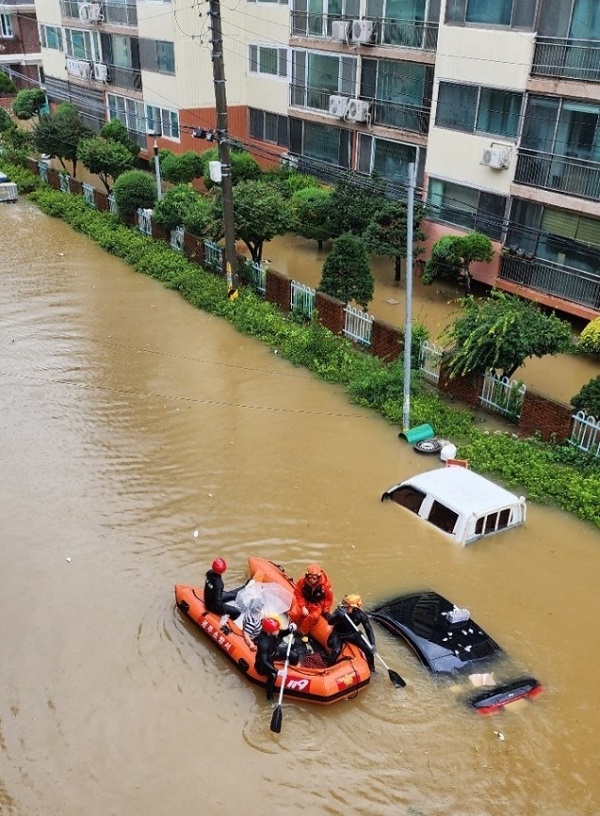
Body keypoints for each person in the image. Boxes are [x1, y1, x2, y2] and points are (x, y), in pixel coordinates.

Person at [326, 594, 376, 672]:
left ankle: (372, 670)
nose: (344, 606)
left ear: (355, 608)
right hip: (338, 633)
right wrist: (338, 616)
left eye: (347, 605)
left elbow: (368, 629)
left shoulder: (360, 614)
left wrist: (372, 644)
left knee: (369, 650)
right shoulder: (340, 611)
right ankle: (328, 670)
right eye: (344, 603)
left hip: (352, 633)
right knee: (336, 651)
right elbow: (330, 622)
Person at [254, 618, 298, 701]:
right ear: (268, 632)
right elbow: (265, 661)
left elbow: (282, 633)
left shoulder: (273, 633)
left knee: (294, 655)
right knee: (273, 676)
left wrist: (289, 629)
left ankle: (292, 670)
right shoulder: (263, 643)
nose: (278, 630)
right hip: (263, 663)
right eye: (276, 629)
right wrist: (277, 671)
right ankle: (269, 697)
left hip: (274, 652)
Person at [289, 563, 334, 638]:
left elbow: (329, 599)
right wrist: (303, 607)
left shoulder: (325, 585)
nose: (311, 580)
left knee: (314, 617)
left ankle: (302, 632)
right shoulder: (302, 582)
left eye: (314, 578)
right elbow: (298, 593)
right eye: (310, 577)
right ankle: (294, 626)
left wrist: (326, 610)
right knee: (294, 613)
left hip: (316, 605)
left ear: (318, 577)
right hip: (305, 602)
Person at [204, 558, 241, 623]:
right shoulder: (219, 583)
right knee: (237, 612)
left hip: (210, 598)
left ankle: (244, 587)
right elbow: (217, 602)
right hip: (212, 605)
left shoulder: (209, 573)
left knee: (233, 595)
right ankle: (230, 622)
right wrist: (223, 613)